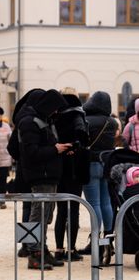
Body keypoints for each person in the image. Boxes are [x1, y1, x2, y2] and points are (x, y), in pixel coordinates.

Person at [16, 88, 70, 270]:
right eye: (54, 108)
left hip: (47, 174)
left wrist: (60, 149)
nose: (56, 112)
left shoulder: (43, 121)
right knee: (37, 213)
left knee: (45, 214)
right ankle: (34, 252)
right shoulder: (29, 122)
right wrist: (56, 149)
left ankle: (41, 249)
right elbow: (31, 152)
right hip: (39, 175)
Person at [52, 89, 90, 261]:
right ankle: (71, 249)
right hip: (75, 167)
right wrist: (75, 147)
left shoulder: (55, 116)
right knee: (73, 209)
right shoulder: (78, 114)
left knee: (61, 209)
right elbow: (82, 135)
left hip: (59, 166)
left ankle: (59, 249)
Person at [80, 91, 118, 255]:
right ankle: (108, 239)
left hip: (91, 164)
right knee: (106, 203)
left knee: (93, 203)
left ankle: (95, 240)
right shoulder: (113, 123)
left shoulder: (87, 120)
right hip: (107, 164)